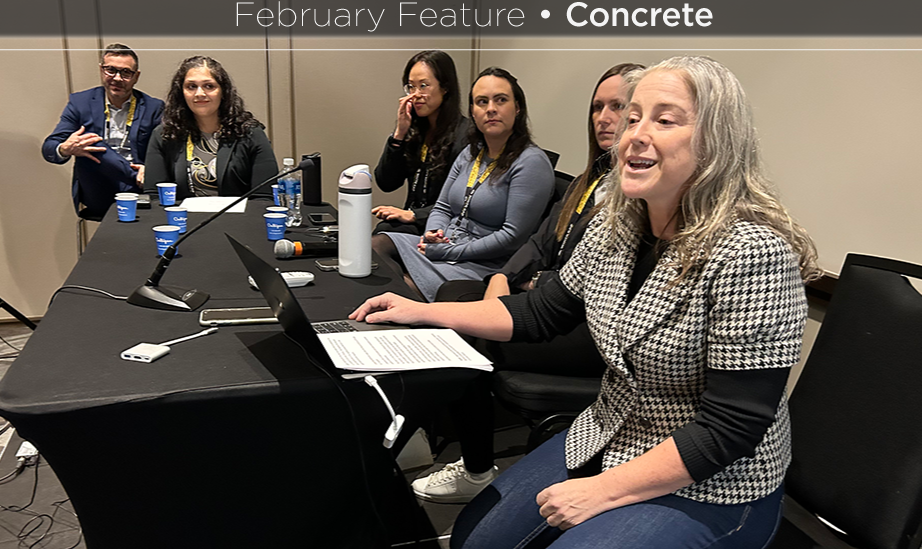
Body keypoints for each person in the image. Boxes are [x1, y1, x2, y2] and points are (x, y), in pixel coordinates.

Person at [350, 56, 821, 548]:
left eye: (664, 119)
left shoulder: (754, 252)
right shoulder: (615, 226)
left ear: (718, 141)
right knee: (475, 538)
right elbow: (539, 312)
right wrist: (421, 312)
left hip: (715, 482)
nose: (634, 133)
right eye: (633, 116)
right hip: (611, 433)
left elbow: (732, 427)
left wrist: (602, 490)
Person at [415, 63, 644, 505]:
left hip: (592, 329)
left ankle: (477, 467)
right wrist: (501, 277)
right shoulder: (589, 179)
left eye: (619, 106)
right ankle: (436, 432)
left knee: (467, 329)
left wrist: (530, 285)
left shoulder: (637, 191)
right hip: (550, 301)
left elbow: (597, 280)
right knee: (453, 295)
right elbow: (539, 242)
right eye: (598, 106)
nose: (604, 117)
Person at [372, 67, 555, 302]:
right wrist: (433, 233)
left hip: (485, 262)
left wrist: (450, 251)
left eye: (501, 100)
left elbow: (512, 237)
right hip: (449, 243)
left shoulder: (531, 162)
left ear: (517, 108)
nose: (491, 109)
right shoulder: (471, 152)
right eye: (482, 102)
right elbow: (443, 207)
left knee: (403, 287)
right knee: (376, 246)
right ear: (473, 111)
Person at [42, 43, 164, 220]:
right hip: (99, 189)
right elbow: (49, 147)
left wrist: (149, 170)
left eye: (125, 73)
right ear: (101, 70)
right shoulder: (80, 102)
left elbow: (166, 151)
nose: (117, 78)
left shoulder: (154, 107)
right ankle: (130, 174)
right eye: (110, 70)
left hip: (140, 189)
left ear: (136, 77)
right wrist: (65, 149)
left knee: (92, 143)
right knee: (91, 143)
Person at [144, 56, 277, 199]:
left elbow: (264, 196)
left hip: (239, 219)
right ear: (181, 93)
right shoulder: (165, 135)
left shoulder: (250, 133)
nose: (200, 93)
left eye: (209, 86)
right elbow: (154, 196)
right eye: (191, 87)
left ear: (223, 91)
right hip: (182, 219)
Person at [372, 50, 470, 235]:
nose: (415, 94)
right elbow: (386, 183)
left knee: (383, 236)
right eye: (411, 87)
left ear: (445, 88)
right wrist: (400, 133)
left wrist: (414, 214)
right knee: (383, 232)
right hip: (412, 221)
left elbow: (462, 201)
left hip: (445, 227)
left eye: (424, 86)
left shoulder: (466, 135)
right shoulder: (416, 132)